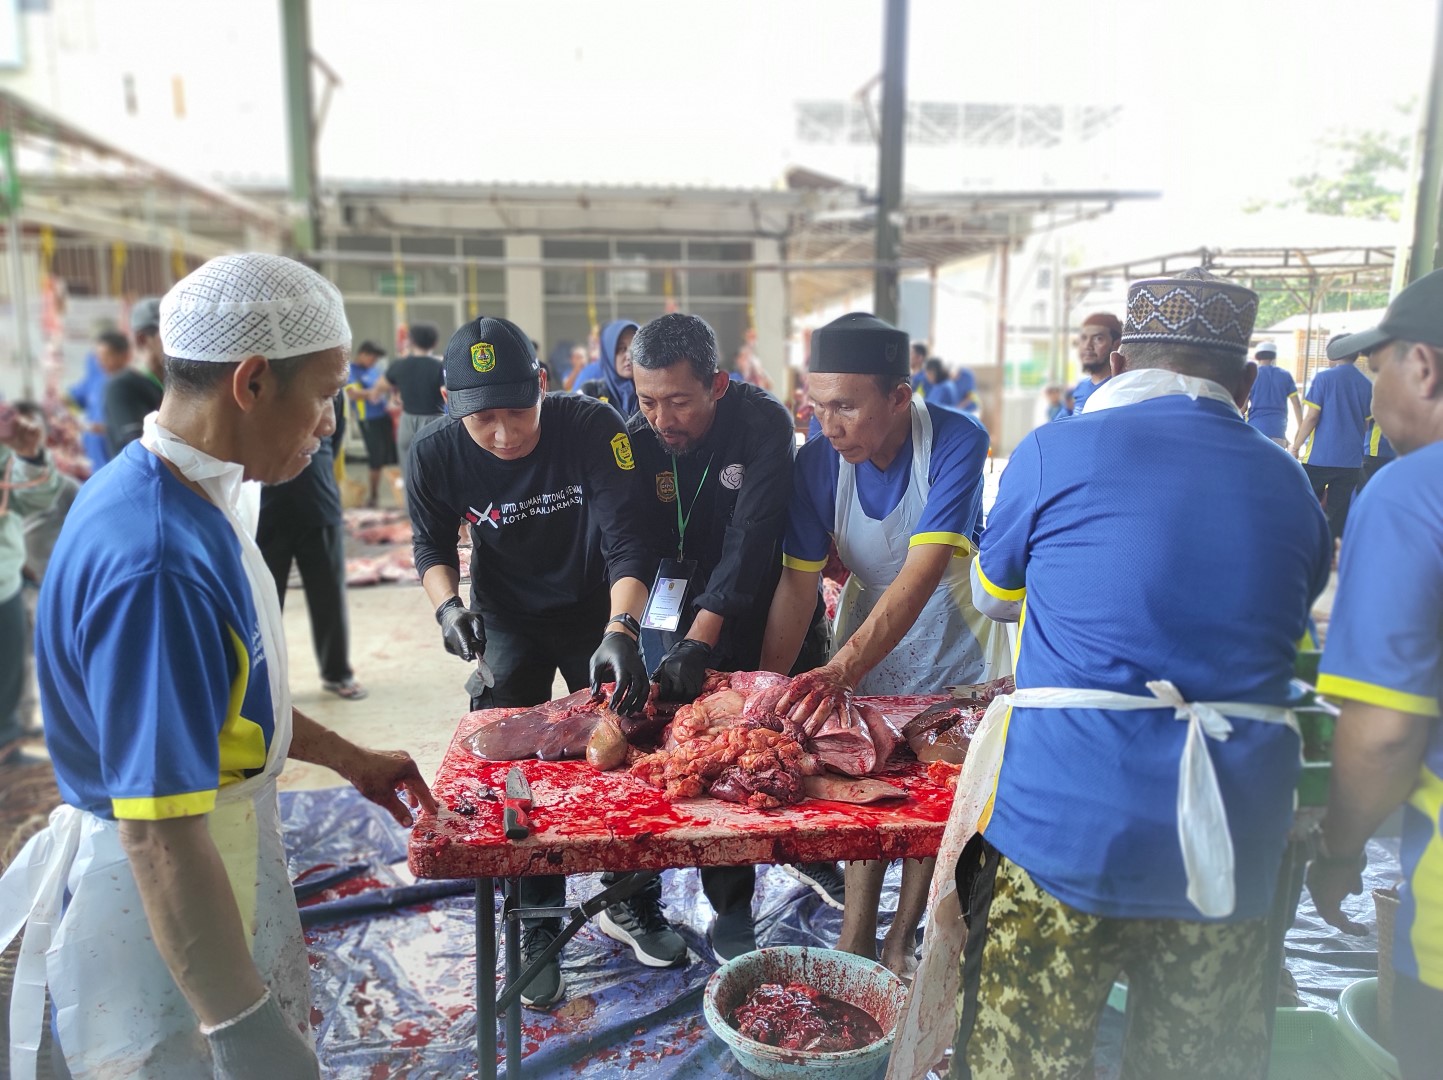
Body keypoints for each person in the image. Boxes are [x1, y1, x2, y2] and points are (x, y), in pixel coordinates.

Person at [0, 253, 436, 1078]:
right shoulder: (158, 562)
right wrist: (240, 1026)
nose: (329, 423)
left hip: (217, 841)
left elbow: (224, 695)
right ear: (253, 382)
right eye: (325, 393)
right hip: (162, 897)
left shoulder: (186, 492)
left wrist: (350, 759)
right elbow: (160, 837)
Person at [952, 270, 1330, 1079]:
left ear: (1116, 363)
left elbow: (994, 597)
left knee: (1021, 1061)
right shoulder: (1291, 484)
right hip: (1231, 836)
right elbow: (1285, 622)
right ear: (1247, 381)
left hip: (1068, 824)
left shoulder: (1053, 448)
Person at [407, 314, 676, 1009]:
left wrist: (623, 627)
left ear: (542, 384)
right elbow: (431, 545)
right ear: (450, 405)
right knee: (511, 768)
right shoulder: (434, 452)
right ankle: (536, 919)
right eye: (482, 419)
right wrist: (448, 608)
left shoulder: (591, 426)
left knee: (623, 747)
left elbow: (629, 537)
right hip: (506, 616)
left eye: (515, 411)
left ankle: (632, 898)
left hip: (598, 605)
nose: (502, 433)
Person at [760, 311, 1008, 977]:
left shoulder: (954, 441)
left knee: (933, 790)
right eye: (815, 406)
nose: (827, 424)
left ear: (899, 396)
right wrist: (760, 692)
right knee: (861, 777)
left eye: (845, 405)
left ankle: (905, 934)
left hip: (957, 639)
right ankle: (856, 932)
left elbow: (924, 572)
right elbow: (795, 586)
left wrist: (839, 669)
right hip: (869, 637)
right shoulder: (816, 463)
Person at [623, 312, 832, 963]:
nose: (662, 419)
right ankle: (633, 898)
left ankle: (734, 904)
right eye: (647, 400)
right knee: (668, 752)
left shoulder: (761, 421)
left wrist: (703, 640)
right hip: (671, 613)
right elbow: (629, 541)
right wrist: (640, 631)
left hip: (757, 610)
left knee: (756, 750)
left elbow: (752, 537)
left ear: (715, 383)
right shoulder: (636, 438)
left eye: (678, 401)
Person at [1304, 269, 1443, 1080]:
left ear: (1422, 366)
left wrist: (1338, 849)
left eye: (1378, 365)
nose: (1373, 389)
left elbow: (1384, 731)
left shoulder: (1411, 492)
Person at [257, 385, 366, 702]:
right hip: (265, 506)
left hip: (317, 503)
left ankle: (337, 673)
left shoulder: (327, 384)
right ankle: (264, 681)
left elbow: (335, 432)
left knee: (328, 595)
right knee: (264, 602)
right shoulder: (259, 385)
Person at [0, 403, 68, 765]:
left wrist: (29, 455)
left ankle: (7, 749)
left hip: (4, 581)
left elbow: (35, 498)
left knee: (9, 673)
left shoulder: (6, 452)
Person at [1290, 333, 1374, 547]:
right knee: (1339, 511)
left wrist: (1296, 445)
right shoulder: (1366, 384)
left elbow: (1312, 417)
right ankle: (1328, 552)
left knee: (1307, 504)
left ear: (1334, 354)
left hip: (1319, 457)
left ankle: (1305, 546)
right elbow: (1364, 425)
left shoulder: (1324, 379)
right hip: (1350, 461)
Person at [378, 322, 446, 489]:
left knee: (409, 474)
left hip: (407, 422)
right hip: (434, 423)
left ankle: (412, 513)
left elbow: (378, 389)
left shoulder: (399, 365)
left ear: (411, 342)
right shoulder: (440, 366)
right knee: (436, 473)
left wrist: (396, 397)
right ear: (435, 343)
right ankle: (435, 514)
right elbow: (449, 396)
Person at [104, 297, 166, 455]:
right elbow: (139, 449)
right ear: (142, 339)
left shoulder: (177, 383)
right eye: (168, 334)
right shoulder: (122, 388)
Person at [346, 340, 397, 507]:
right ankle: (374, 496)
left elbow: (386, 386)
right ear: (363, 354)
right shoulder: (351, 371)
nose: (374, 362)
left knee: (392, 457)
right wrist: (374, 392)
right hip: (368, 419)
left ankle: (399, 494)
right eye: (372, 358)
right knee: (376, 459)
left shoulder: (374, 369)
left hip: (385, 416)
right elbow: (353, 394)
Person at [576, 318, 639, 417]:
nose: (629, 356)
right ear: (608, 354)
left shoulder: (653, 392)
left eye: (635, 348)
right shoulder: (590, 394)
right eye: (621, 349)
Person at [67, 339, 114, 470]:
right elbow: (73, 400)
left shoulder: (124, 384)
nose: (100, 360)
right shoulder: (95, 378)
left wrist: (102, 428)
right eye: (98, 356)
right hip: (93, 457)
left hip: (112, 452)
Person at [1243, 339, 1300, 446]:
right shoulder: (1285, 375)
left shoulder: (1252, 374)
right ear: (1274, 356)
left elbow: (1243, 407)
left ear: (1257, 356)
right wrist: (1300, 430)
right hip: (1278, 429)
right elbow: (1296, 404)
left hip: (1255, 428)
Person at [1062, 312, 1119, 417]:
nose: (1087, 346)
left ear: (1116, 345)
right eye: (1083, 338)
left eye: (1098, 339)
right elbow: (1057, 426)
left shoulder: (1119, 390)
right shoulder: (1080, 388)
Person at [1360, 408, 1396, 489]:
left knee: (1367, 491)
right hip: (1397, 453)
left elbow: (1364, 419)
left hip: (1375, 451)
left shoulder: (1379, 397)